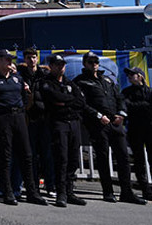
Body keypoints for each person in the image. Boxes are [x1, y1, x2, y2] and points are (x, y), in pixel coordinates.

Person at [0, 50, 47, 206]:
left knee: (27, 155)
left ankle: (31, 192)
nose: (10, 62)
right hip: (2, 119)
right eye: (6, 59)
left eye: (11, 59)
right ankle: (7, 192)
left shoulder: (17, 78)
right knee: (5, 156)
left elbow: (24, 97)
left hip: (19, 117)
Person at [74, 52, 146, 204]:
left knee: (123, 157)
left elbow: (119, 98)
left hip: (115, 123)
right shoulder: (80, 81)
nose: (94, 64)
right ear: (85, 64)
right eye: (91, 61)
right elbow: (82, 104)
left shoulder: (107, 79)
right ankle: (108, 192)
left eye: (96, 61)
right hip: (98, 125)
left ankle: (127, 192)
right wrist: (98, 116)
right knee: (103, 157)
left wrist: (121, 114)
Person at [39, 54, 87, 207]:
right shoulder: (46, 83)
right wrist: (68, 100)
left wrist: (65, 102)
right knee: (61, 158)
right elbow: (52, 97)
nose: (61, 67)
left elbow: (81, 101)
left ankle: (70, 191)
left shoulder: (70, 84)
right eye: (58, 64)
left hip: (73, 123)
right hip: (58, 123)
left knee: (73, 158)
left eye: (63, 64)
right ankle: (61, 193)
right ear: (51, 66)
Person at [19, 48, 55, 198]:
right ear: (25, 59)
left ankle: (50, 185)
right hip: (29, 119)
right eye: (28, 57)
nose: (31, 60)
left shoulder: (45, 74)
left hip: (45, 118)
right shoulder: (20, 76)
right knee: (31, 155)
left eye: (33, 57)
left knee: (47, 154)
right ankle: (33, 186)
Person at [122, 67, 152, 200]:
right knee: (139, 161)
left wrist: (138, 105)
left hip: (149, 128)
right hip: (135, 129)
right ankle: (145, 189)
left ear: (140, 76)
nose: (129, 77)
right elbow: (126, 105)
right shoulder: (126, 92)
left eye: (132, 74)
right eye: (128, 75)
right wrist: (144, 105)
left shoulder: (149, 91)